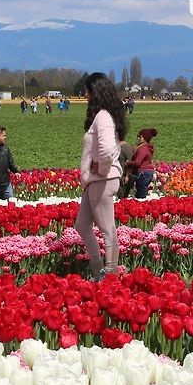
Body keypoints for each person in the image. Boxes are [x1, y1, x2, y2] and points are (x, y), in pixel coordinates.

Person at [76, 72, 127, 281]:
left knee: (107, 229)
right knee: (82, 225)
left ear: (93, 91)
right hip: (96, 181)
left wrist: (103, 169)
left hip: (102, 181)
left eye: (86, 90)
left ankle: (110, 273)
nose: (84, 94)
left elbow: (106, 149)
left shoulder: (103, 116)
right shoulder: (104, 115)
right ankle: (98, 270)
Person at [127, 128, 157, 199]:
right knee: (141, 193)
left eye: (140, 137)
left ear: (145, 138)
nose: (138, 138)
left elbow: (137, 162)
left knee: (141, 196)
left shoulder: (143, 149)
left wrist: (128, 163)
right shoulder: (146, 147)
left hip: (142, 174)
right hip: (147, 173)